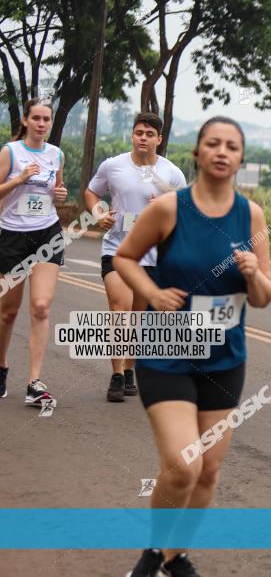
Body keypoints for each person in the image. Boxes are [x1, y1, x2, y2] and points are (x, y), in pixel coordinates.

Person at [116, 117, 271, 576]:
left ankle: (175, 555)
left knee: (207, 470)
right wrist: (152, 292)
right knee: (184, 465)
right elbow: (125, 257)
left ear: (241, 158)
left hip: (224, 358)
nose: (222, 152)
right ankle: (153, 553)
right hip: (166, 351)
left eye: (231, 146)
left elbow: (264, 299)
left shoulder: (252, 216)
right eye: (213, 144)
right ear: (198, 153)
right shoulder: (168, 208)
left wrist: (253, 274)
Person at [84, 112, 186, 402]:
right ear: (132, 135)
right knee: (120, 309)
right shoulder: (113, 166)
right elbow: (91, 192)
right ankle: (117, 375)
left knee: (138, 318)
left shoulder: (171, 173)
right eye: (139, 132)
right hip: (116, 250)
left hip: (151, 256)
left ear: (159, 139)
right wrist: (98, 213)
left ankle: (130, 369)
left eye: (149, 134)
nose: (143, 137)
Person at [0, 98, 68, 406]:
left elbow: (57, 194)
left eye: (46, 120)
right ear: (26, 121)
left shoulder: (57, 154)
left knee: (41, 306)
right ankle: (1, 368)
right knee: (8, 312)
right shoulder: (10, 152)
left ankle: (34, 383)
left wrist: (60, 194)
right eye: (37, 118)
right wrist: (19, 179)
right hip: (12, 235)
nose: (42, 124)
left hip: (46, 234)